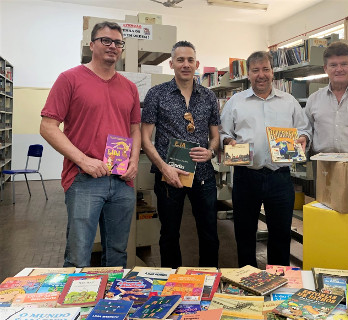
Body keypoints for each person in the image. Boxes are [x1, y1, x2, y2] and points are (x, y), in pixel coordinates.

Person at [40, 21, 141, 268]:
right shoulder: (69, 79)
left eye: (118, 42)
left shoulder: (129, 87)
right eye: (106, 40)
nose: (113, 46)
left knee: (118, 252)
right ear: (91, 44)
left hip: (121, 180)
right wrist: (84, 160)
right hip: (83, 179)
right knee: (78, 254)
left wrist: (134, 161)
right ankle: (76, 305)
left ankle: (113, 304)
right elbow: (47, 126)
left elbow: (135, 129)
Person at [220, 51, 311, 268]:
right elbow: (224, 132)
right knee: (244, 234)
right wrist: (228, 142)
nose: (261, 75)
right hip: (246, 176)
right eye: (255, 70)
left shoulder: (289, 102)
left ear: (273, 72)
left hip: (279, 178)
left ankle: (278, 281)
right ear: (248, 74)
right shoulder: (235, 102)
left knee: (280, 235)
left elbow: (305, 129)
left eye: (265, 69)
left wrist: (303, 138)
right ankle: (248, 280)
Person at [141, 41, 220, 268]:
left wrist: (211, 151)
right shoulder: (157, 94)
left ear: (197, 64)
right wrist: (163, 166)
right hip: (169, 175)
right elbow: (145, 138)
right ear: (171, 63)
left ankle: (208, 281)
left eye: (190, 60)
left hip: (203, 174)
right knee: (169, 235)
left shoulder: (208, 97)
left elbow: (215, 135)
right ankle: (171, 284)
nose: (186, 64)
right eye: (180, 60)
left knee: (209, 234)